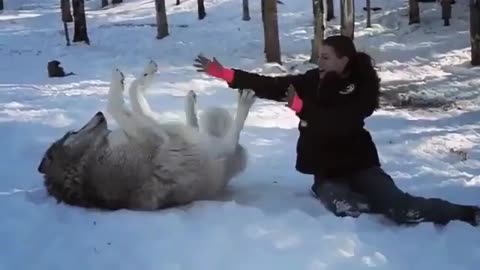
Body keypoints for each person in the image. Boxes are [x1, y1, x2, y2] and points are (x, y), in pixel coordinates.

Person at [193, 35, 480, 227]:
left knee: (401, 209)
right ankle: (340, 193)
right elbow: (272, 85)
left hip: (360, 164)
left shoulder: (363, 88)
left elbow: (340, 121)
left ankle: (467, 213)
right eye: (320, 56)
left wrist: (302, 108)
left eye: (327, 57)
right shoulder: (311, 80)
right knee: (347, 208)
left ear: (344, 60)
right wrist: (227, 74)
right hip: (327, 171)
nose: (320, 62)